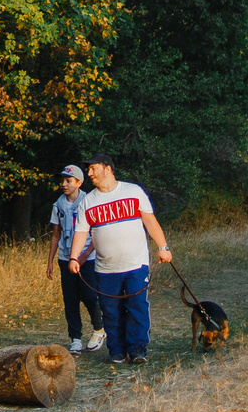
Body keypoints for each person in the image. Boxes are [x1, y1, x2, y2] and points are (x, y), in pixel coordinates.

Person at [66, 154, 171, 365]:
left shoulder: (133, 192)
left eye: (93, 168)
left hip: (136, 264)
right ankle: (116, 350)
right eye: (88, 170)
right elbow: (81, 232)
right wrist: (74, 258)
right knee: (110, 311)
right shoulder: (88, 201)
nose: (90, 173)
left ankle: (138, 349)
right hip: (105, 268)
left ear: (108, 169)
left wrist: (163, 247)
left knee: (137, 307)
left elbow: (150, 221)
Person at [46, 164, 106, 353]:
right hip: (65, 257)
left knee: (89, 295)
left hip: (86, 258)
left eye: (68, 181)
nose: (64, 184)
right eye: (62, 181)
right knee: (70, 299)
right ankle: (75, 338)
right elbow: (56, 234)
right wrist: (50, 261)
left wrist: (86, 253)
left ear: (79, 183)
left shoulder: (88, 201)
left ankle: (99, 328)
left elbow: (98, 231)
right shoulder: (58, 204)